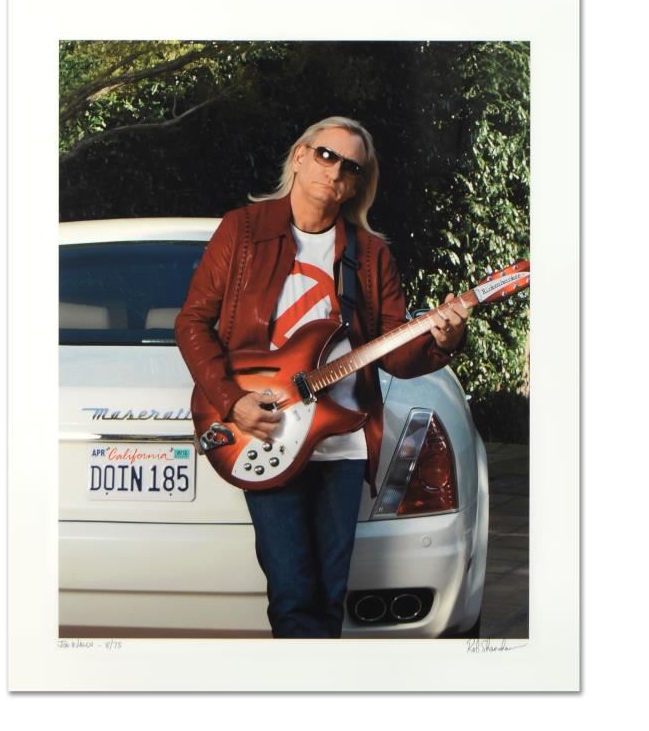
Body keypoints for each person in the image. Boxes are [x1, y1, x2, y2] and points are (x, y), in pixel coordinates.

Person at [174, 117, 468, 638]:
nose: (335, 171)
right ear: (300, 157)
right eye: (327, 155)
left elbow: (396, 353)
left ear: (356, 186)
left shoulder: (370, 254)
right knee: (292, 592)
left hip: (343, 441)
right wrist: (231, 400)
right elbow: (192, 322)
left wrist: (442, 339)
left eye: (351, 167)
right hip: (268, 429)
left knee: (329, 597)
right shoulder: (243, 230)